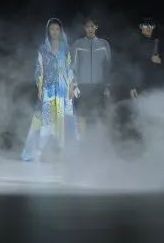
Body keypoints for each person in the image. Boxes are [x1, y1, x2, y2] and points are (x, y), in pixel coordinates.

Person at [21, 18, 77, 162]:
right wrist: (40, 88)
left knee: (62, 120)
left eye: (57, 29)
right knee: (43, 120)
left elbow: (71, 68)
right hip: (48, 89)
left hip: (63, 90)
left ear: (61, 31)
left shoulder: (66, 48)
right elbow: (39, 69)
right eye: (52, 29)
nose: (54, 32)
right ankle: (37, 151)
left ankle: (60, 152)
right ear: (48, 31)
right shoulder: (43, 48)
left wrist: (72, 86)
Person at [71, 18, 112, 136]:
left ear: (96, 27)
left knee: (100, 114)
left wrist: (107, 86)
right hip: (83, 85)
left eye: (92, 26)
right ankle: (82, 140)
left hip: (99, 85)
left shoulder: (104, 44)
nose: (90, 29)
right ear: (84, 28)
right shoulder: (78, 44)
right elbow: (73, 66)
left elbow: (108, 66)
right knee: (82, 114)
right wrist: (74, 85)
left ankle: (101, 140)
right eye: (87, 26)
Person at [127, 18, 164, 99]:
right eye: (145, 26)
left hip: (157, 86)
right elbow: (130, 67)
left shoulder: (159, 42)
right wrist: (131, 87)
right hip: (139, 86)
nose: (148, 29)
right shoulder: (135, 44)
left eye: (151, 26)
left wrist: (161, 61)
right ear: (141, 27)